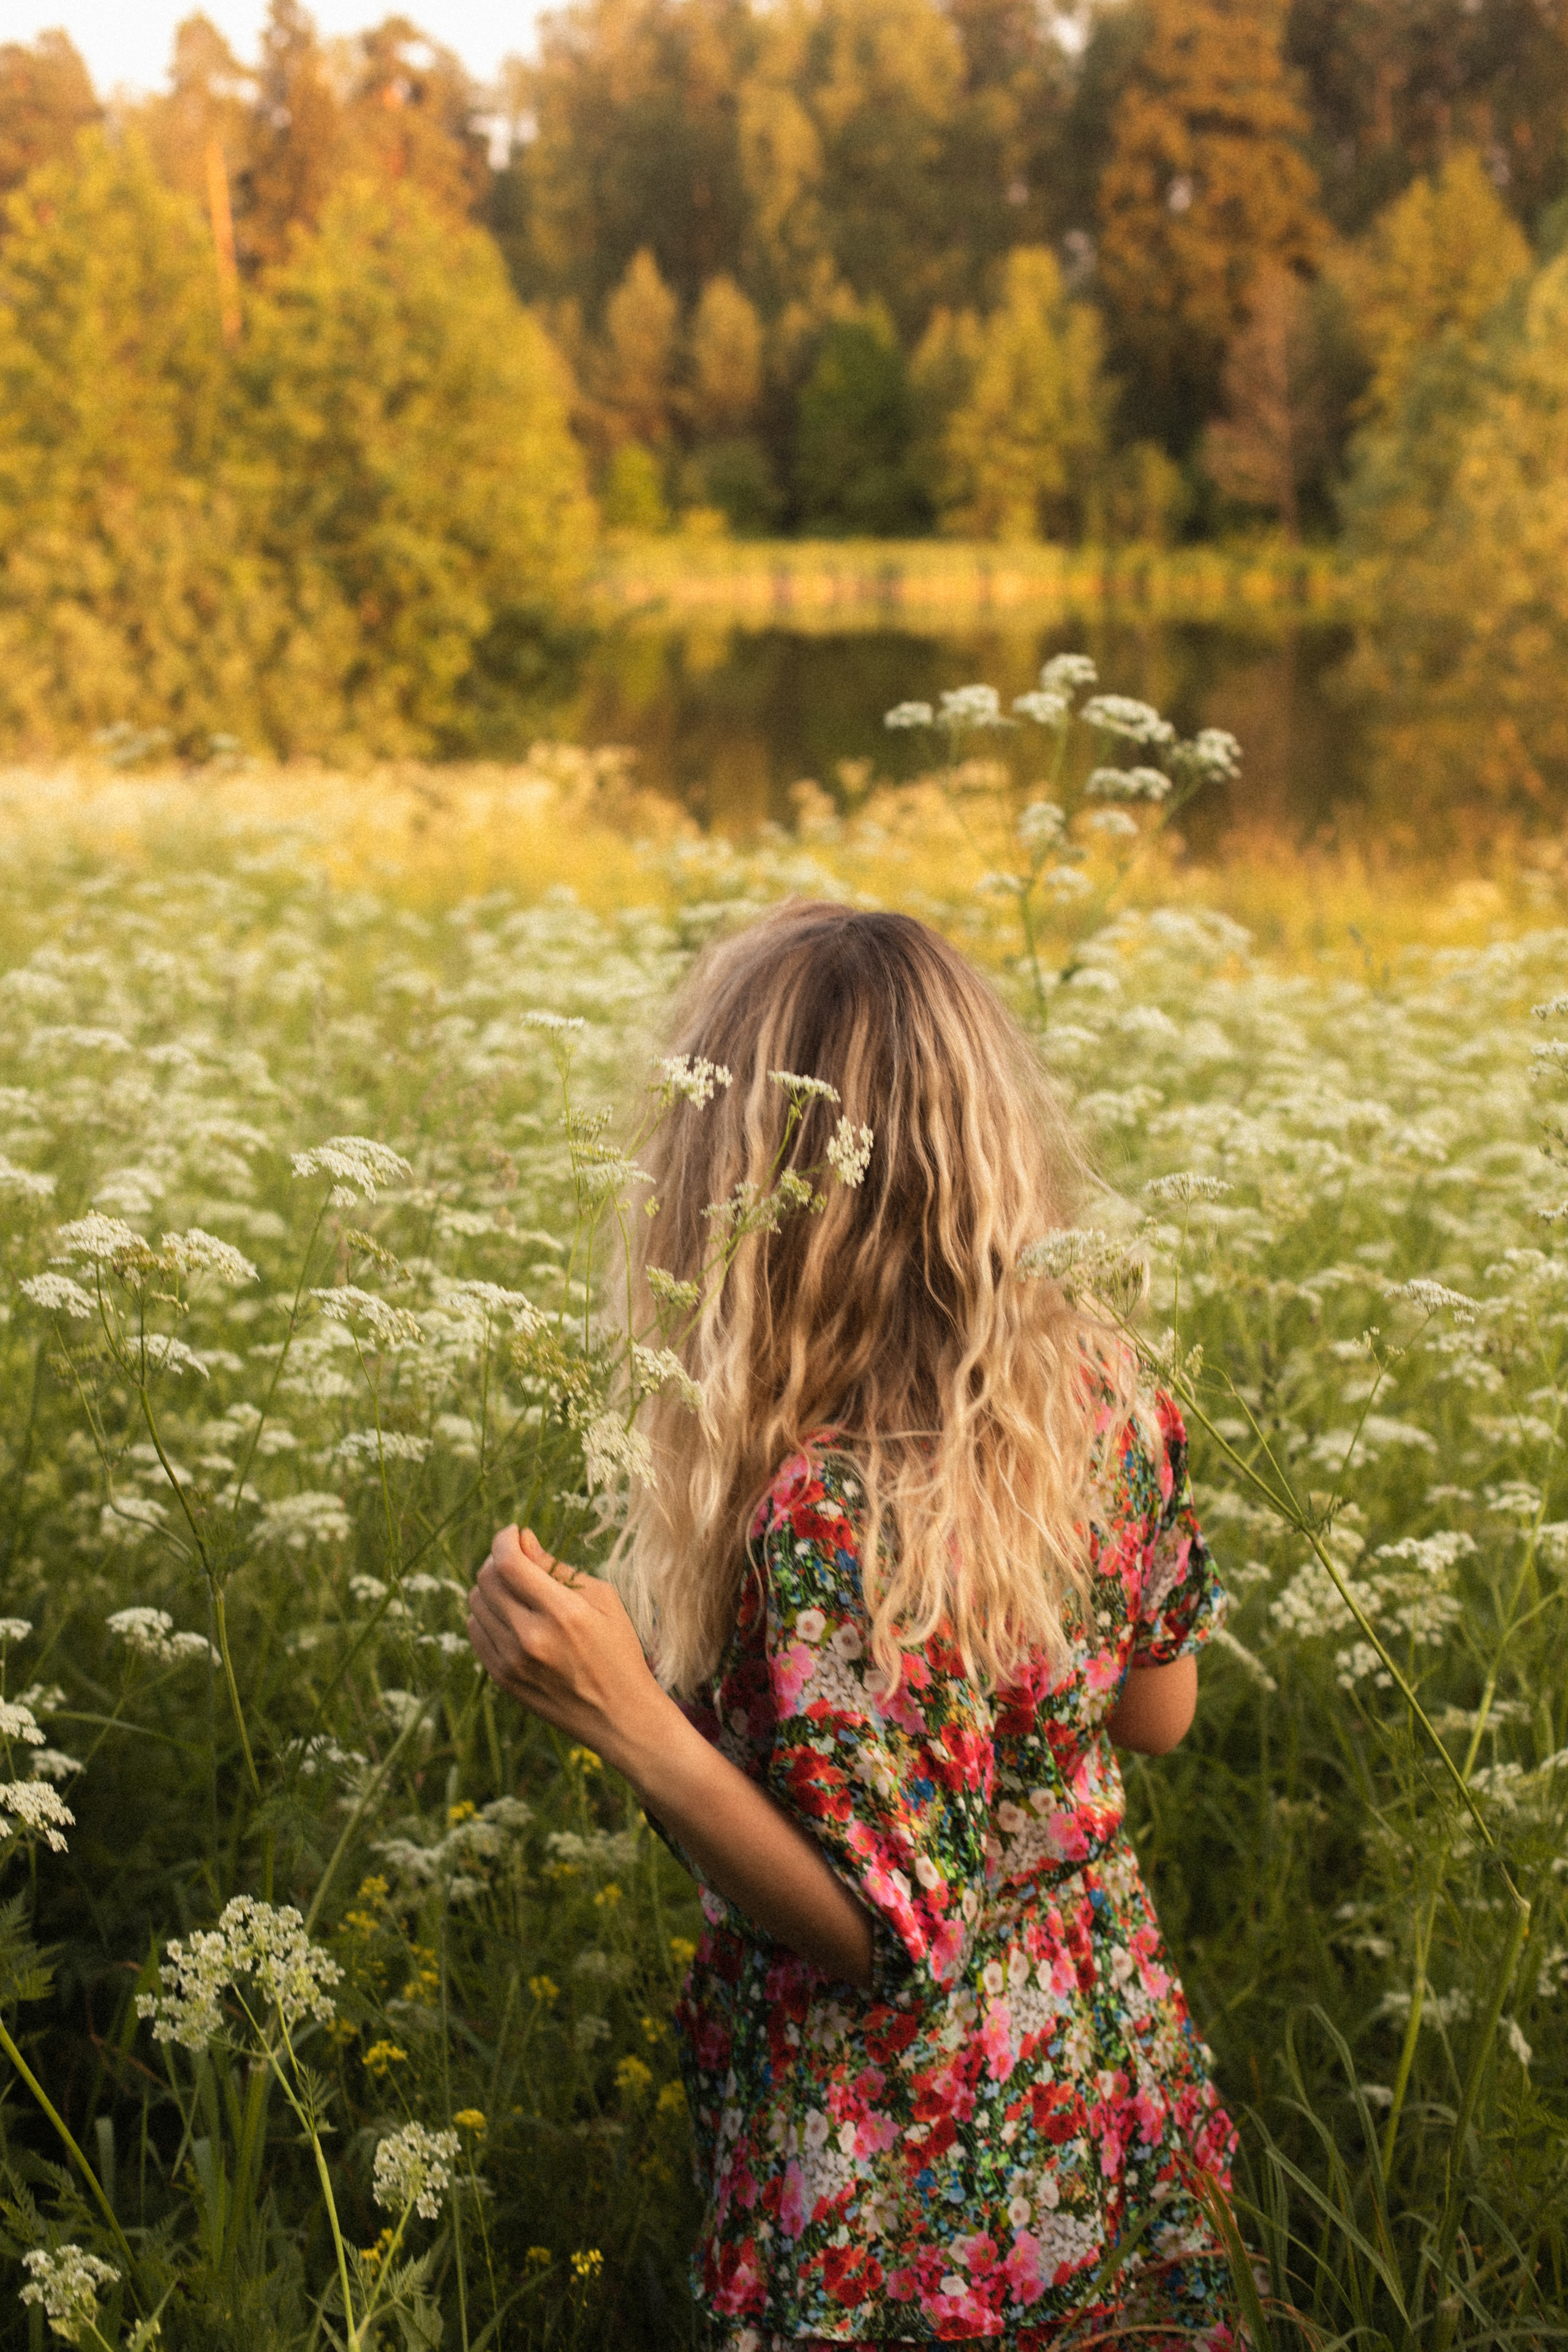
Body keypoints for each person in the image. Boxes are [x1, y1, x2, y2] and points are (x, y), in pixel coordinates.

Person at [467, 902, 1240, 2350]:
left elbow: (886, 1935)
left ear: (738, 1179)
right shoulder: (1103, 1392)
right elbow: (1156, 1713)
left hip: (906, 2167)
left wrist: (631, 1723)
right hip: (1100, 2070)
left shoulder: (826, 1511)